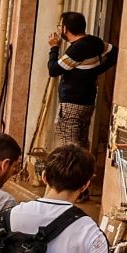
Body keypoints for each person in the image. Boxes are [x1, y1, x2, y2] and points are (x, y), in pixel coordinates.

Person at [46, 10, 117, 151]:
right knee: (82, 143)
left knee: (70, 146)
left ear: (65, 29)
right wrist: (96, 70)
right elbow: (114, 52)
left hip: (72, 104)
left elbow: (53, 70)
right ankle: (85, 170)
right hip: (87, 102)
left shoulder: (77, 49)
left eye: (60, 26)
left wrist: (54, 48)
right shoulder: (94, 42)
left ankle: (73, 172)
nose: (59, 29)